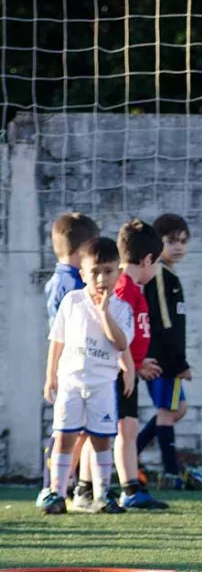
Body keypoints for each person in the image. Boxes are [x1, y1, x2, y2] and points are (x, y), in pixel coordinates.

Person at [41, 237, 134, 515]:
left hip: (102, 385)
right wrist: (51, 377)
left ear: (119, 273)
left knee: (101, 439)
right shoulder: (72, 301)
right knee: (65, 437)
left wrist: (104, 312)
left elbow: (120, 343)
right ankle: (56, 493)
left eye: (108, 271)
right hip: (71, 382)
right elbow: (56, 340)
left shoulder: (121, 309)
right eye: (95, 272)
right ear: (83, 274)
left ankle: (102, 494)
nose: (102, 278)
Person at [35, 212, 100, 510]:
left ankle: (69, 485)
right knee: (66, 431)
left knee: (76, 430)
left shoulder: (58, 280)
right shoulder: (72, 285)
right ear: (82, 250)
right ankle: (51, 486)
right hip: (74, 365)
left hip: (74, 365)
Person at [113, 219, 169, 510]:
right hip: (119, 373)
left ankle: (130, 488)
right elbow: (115, 334)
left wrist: (138, 361)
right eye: (156, 262)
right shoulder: (124, 289)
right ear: (147, 259)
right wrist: (131, 365)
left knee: (129, 429)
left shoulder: (132, 287)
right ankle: (73, 486)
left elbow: (131, 334)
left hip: (130, 370)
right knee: (116, 431)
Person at [137, 212, 192, 490]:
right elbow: (164, 323)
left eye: (183, 241)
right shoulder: (159, 273)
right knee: (168, 411)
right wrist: (178, 361)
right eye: (171, 241)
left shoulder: (170, 273)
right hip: (162, 359)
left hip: (166, 357)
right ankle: (171, 473)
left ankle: (130, 453)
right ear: (157, 243)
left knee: (176, 409)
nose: (178, 246)